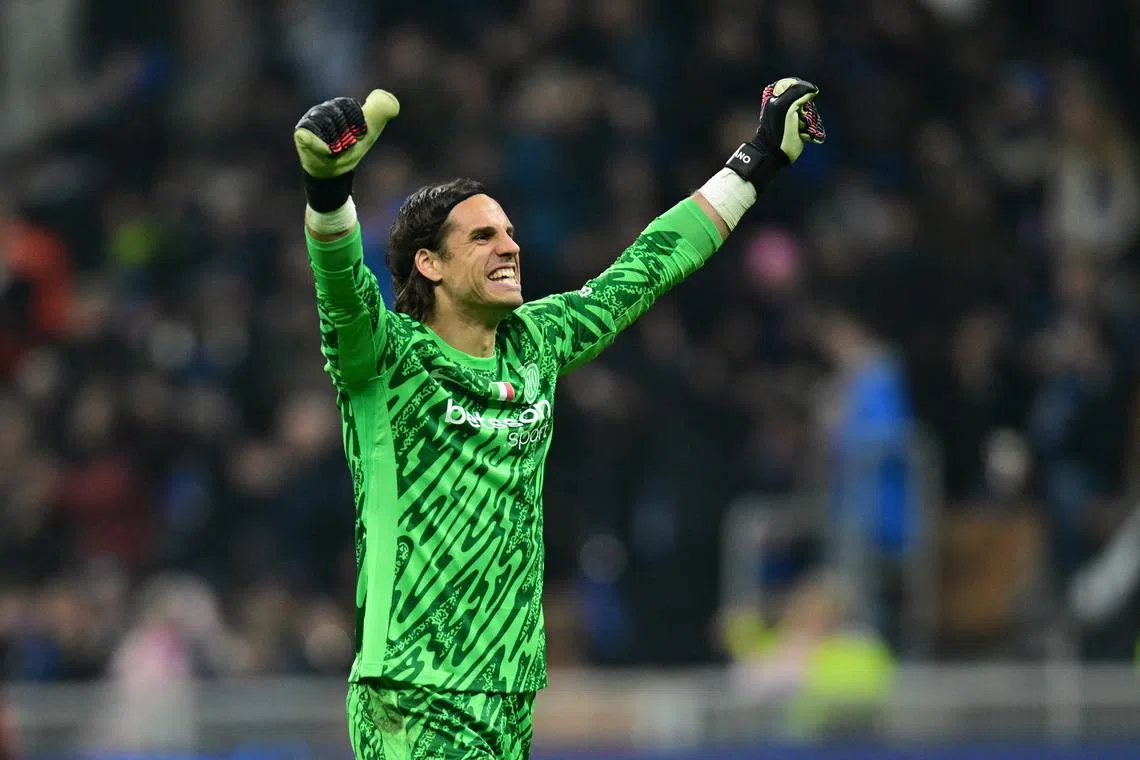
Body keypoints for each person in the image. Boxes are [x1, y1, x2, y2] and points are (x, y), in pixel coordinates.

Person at [293, 78, 825, 760]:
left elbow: (649, 266)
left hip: (509, 688)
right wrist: (328, 191)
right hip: (415, 687)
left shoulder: (534, 343)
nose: (509, 246)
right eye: (482, 237)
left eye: (510, 233)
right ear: (429, 263)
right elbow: (340, 288)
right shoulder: (387, 359)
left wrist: (755, 162)